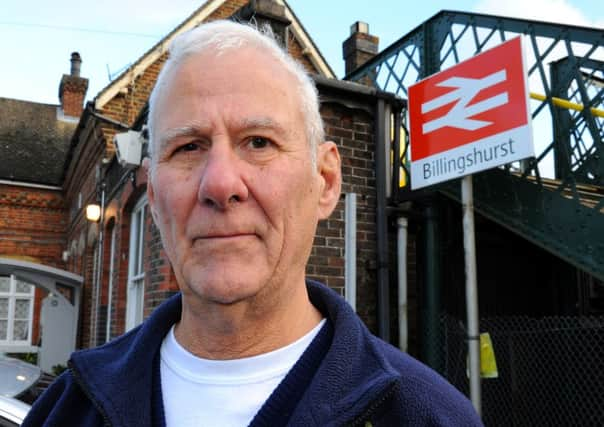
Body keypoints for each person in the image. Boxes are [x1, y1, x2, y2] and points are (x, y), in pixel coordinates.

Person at [23, 20, 483, 426]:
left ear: (324, 182)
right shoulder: (65, 410)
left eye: (259, 142)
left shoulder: (428, 416)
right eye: (187, 147)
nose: (221, 183)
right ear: (155, 195)